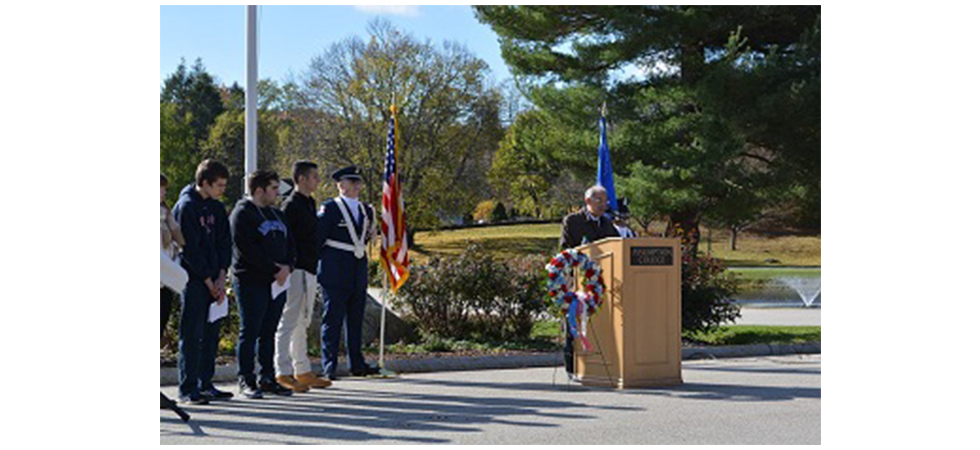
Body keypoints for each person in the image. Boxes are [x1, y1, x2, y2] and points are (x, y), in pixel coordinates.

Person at [230, 170, 297, 399]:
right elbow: (246, 250)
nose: (278, 193)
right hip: (252, 281)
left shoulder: (277, 214)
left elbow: (291, 244)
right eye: (274, 188)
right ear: (259, 190)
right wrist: (274, 269)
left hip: (278, 282)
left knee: (269, 331)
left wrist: (288, 266)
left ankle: (268, 377)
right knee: (250, 331)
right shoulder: (242, 213)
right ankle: (246, 379)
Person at [172, 160, 233, 405]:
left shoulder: (217, 208)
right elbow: (190, 250)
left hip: (214, 280)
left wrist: (221, 276)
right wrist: (208, 281)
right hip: (195, 281)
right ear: (204, 183)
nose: (222, 190)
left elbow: (223, 243)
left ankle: (206, 383)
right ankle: (188, 387)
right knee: (192, 334)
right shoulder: (186, 206)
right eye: (218, 185)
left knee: (211, 334)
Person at [316, 165, 380, 380]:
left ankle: (357, 363)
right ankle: (329, 365)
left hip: (357, 269)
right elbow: (319, 239)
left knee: (356, 319)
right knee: (332, 319)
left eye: (358, 182)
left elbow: (367, 238)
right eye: (351, 182)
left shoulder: (366, 210)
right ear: (340, 185)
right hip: (334, 269)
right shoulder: (330, 208)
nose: (356, 186)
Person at [275, 161, 333, 392]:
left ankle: (302, 369)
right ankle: (282, 371)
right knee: (289, 321)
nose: (317, 181)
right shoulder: (291, 206)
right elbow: (286, 240)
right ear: (300, 179)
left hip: (309, 268)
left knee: (303, 321)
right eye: (313, 177)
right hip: (295, 268)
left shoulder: (310, 203)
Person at [558, 185, 620, 380]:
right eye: (599, 200)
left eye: (605, 201)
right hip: (577, 281)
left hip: (603, 282)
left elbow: (617, 250)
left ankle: (600, 365)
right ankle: (572, 368)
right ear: (587, 201)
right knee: (574, 323)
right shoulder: (573, 221)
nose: (603, 205)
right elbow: (566, 250)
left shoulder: (608, 224)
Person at [160, 174, 185, 337]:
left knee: (161, 320)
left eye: (164, 189)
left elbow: (179, 241)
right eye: (160, 188)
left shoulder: (167, 215)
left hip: (165, 279)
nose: (163, 193)